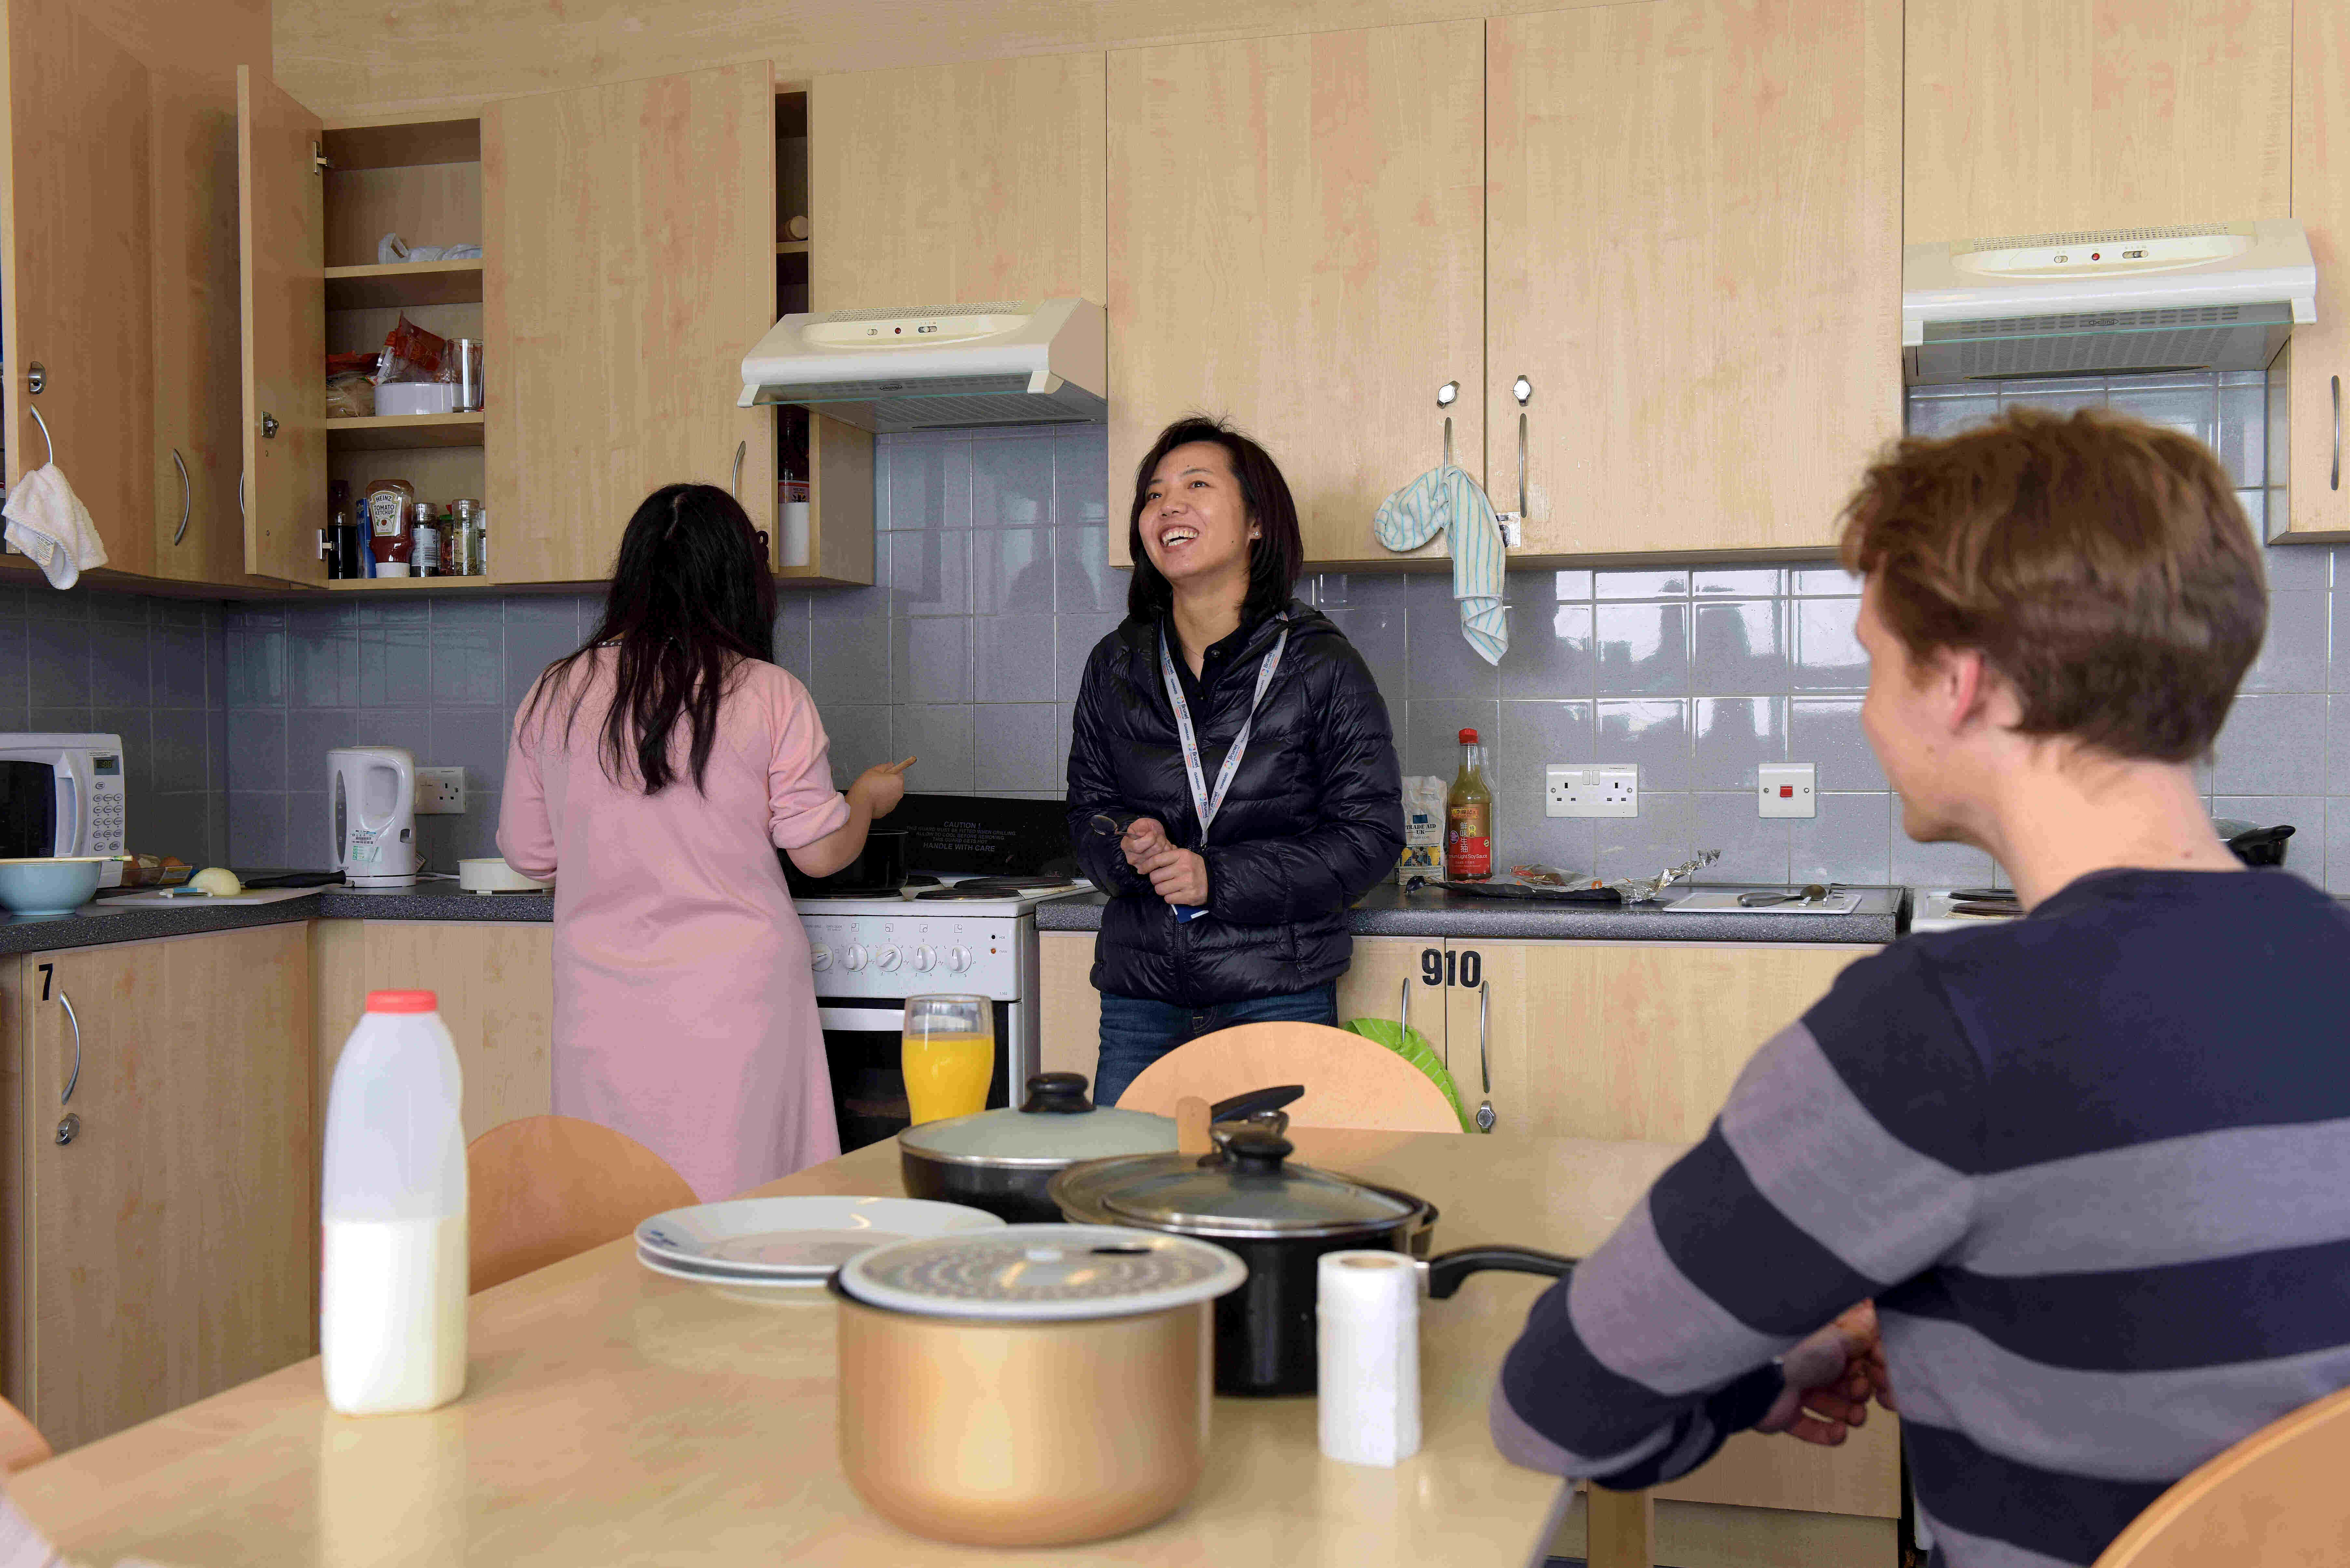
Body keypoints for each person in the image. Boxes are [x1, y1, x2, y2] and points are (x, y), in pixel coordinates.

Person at [1488, 408, 2350, 1568]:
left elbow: (1555, 1406)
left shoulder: (1940, 1032)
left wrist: (1779, 1373)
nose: (1863, 708)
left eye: (1873, 660)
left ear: (1960, 681)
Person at [499, 483, 912, 1201]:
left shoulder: (553, 693)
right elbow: (819, 852)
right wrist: (866, 802)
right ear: (739, 580)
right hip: (737, 1004)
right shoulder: (768, 691)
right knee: (744, 1209)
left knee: (615, 1208)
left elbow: (530, 855)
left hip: (604, 1006)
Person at [1066, 416, 1403, 1107]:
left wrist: (1215, 878)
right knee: (1127, 1201)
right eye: (1154, 495)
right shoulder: (1117, 663)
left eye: (1196, 485)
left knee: (1272, 1206)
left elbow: (1369, 837)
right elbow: (1087, 814)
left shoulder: (1320, 663)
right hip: (1141, 997)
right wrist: (1128, 848)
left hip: (1274, 993)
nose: (1169, 506)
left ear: (1256, 521)